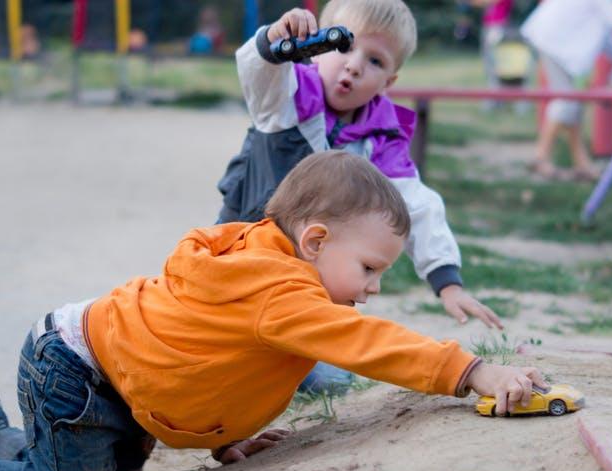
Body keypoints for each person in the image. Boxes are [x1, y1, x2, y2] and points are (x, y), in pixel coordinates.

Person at [0, 151, 547, 471]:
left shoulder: (270, 263)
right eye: (370, 268)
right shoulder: (281, 291)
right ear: (316, 241)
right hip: (77, 371)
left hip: (115, 381)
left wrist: (224, 434)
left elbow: (208, 352)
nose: (372, 288)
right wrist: (471, 372)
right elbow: (371, 345)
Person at [216, 0, 503, 395]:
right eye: (343, 46)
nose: (353, 65)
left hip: (310, 267)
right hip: (247, 245)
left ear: (389, 81)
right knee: (223, 323)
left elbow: (414, 204)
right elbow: (256, 70)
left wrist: (446, 280)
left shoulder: (380, 139)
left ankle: (294, 360)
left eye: (375, 61)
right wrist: (275, 39)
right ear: (317, 46)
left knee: (328, 372)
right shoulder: (286, 98)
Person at [520, 0, 612, 180]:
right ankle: (540, 156)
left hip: (554, 39)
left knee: (573, 104)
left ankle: (581, 163)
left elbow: (606, 32)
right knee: (567, 102)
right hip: (554, 42)